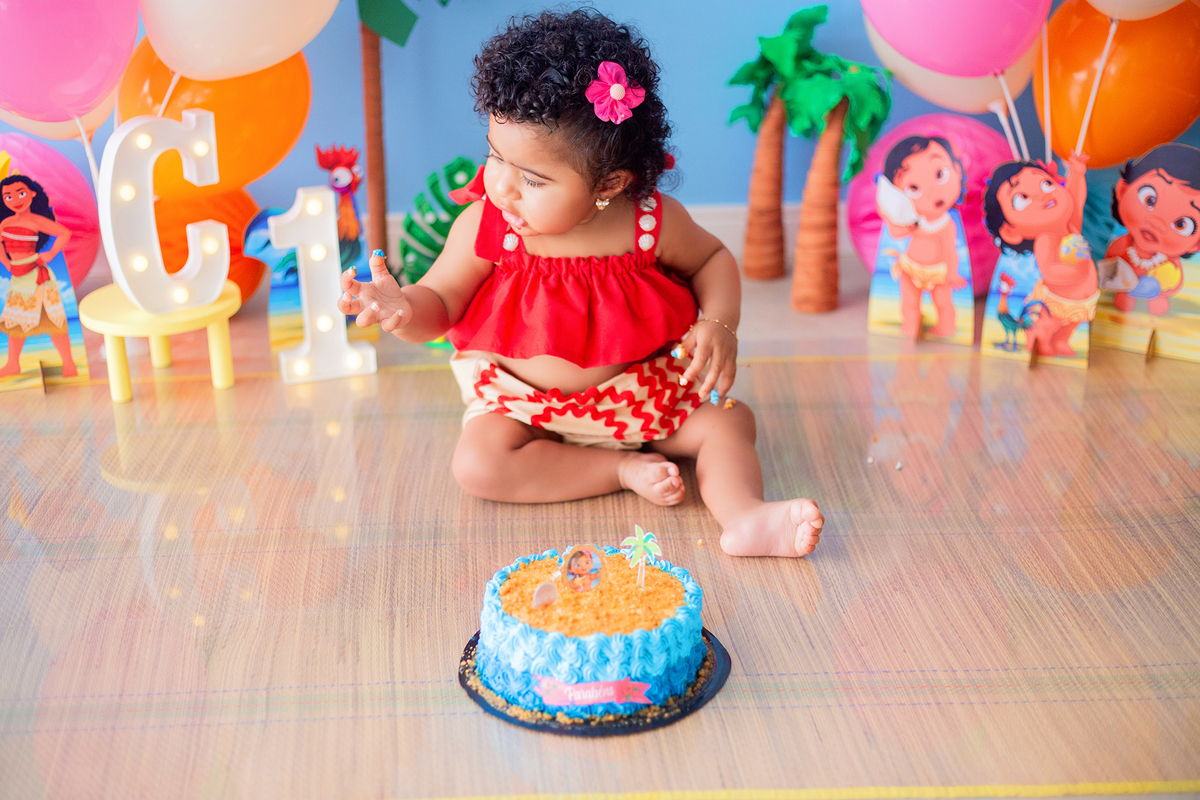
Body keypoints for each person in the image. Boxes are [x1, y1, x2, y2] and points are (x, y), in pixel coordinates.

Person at [338, 10, 823, 557]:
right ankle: (617, 468)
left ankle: (746, 516)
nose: (503, 186)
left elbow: (712, 258)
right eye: (496, 156)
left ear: (609, 183)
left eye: (533, 178)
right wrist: (403, 307)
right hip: (525, 407)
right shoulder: (487, 224)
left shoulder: (648, 222)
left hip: (639, 395)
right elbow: (441, 302)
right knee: (477, 465)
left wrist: (718, 323)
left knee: (730, 425)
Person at [983, 156, 1098, 358]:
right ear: (1010, 231)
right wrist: (1076, 271)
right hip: (1055, 300)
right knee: (1047, 324)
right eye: (1023, 198)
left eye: (1046, 183)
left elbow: (1076, 200)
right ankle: (1038, 341)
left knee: (1070, 325)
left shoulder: (1070, 226)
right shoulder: (1046, 239)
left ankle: (1061, 341)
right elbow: (1051, 272)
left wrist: (1077, 174)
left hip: (1081, 299)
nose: (1041, 194)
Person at [876, 136, 968, 338]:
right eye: (914, 188)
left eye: (940, 174)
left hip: (938, 272)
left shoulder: (946, 224)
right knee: (909, 302)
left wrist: (952, 272)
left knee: (943, 302)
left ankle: (946, 327)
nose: (932, 191)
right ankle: (910, 324)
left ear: (957, 170)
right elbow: (896, 232)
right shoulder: (912, 221)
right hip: (911, 268)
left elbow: (949, 250)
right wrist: (888, 213)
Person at [1105, 143, 1200, 316]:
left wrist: (1161, 288)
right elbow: (1108, 269)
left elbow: (1175, 281)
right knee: (1121, 301)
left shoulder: (1169, 262)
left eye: (1181, 224)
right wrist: (1121, 282)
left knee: (1159, 305)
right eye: (1149, 200)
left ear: (1197, 244)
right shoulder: (1121, 245)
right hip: (1122, 296)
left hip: (1156, 304)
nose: (1157, 222)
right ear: (1123, 189)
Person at [0, 175, 76, 377]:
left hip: (37, 274)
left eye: (21, 193)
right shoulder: (5, 222)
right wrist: (5, 261)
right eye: (8, 196)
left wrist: (50, 254)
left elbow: (64, 233)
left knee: (53, 320)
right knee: (15, 321)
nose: (16, 200)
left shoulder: (36, 220)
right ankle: (13, 364)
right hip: (18, 275)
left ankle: (69, 362)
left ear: (32, 193)